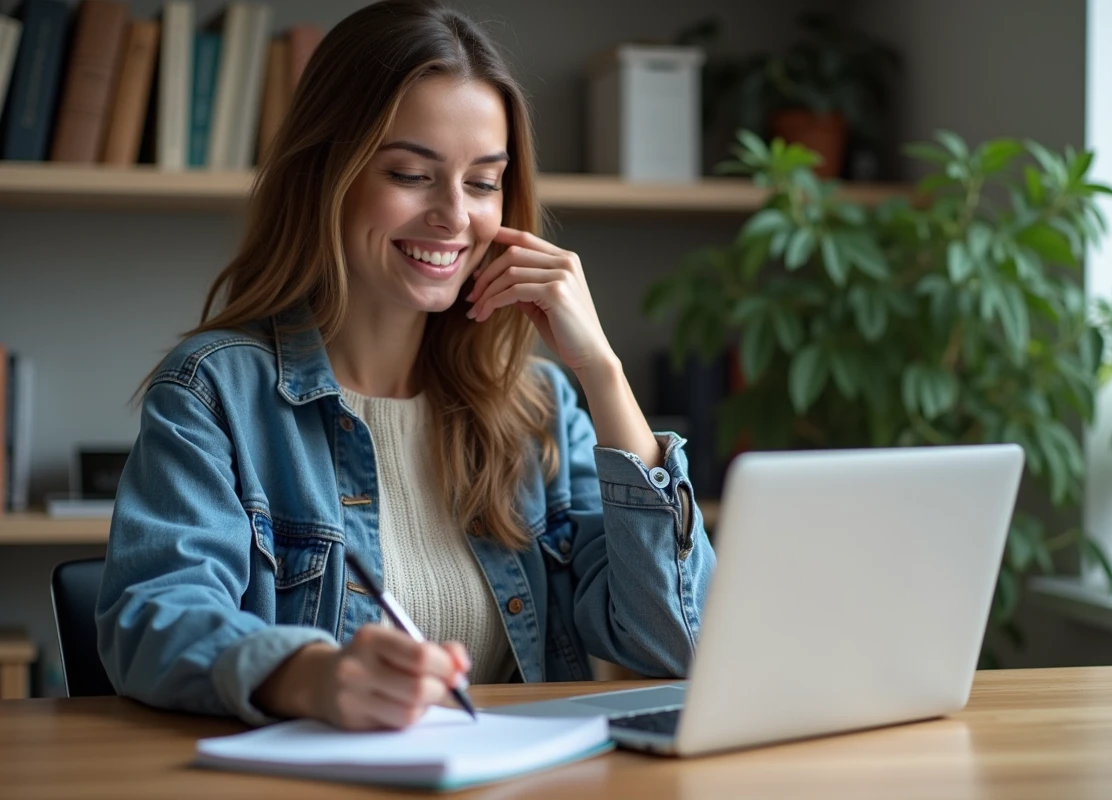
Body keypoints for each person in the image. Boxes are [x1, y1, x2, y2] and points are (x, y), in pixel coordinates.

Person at [95, 0, 715, 731]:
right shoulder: (214, 393)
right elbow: (153, 619)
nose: (455, 216)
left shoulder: (540, 407)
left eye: (483, 182)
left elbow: (677, 641)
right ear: (329, 173)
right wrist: (311, 676)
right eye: (412, 174)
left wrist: (602, 372)